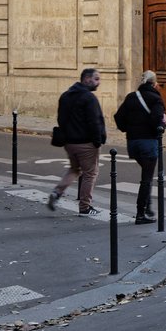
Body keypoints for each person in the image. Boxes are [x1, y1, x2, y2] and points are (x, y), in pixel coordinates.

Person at [47, 67, 107, 218]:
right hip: (86, 143)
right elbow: (95, 122)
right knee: (90, 174)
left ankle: (57, 192)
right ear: (86, 79)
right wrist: (98, 141)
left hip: (69, 142)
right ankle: (85, 207)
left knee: (74, 169)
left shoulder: (66, 95)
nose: (98, 83)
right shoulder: (89, 98)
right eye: (96, 79)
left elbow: (61, 119)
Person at [114, 70, 166, 224]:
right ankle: (140, 213)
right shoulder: (156, 98)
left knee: (146, 176)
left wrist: (128, 129)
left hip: (133, 142)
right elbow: (157, 119)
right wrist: (160, 127)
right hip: (148, 142)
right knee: (146, 179)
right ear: (155, 84)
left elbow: (118, 117)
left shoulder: (131, 97)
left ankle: (147, 206)